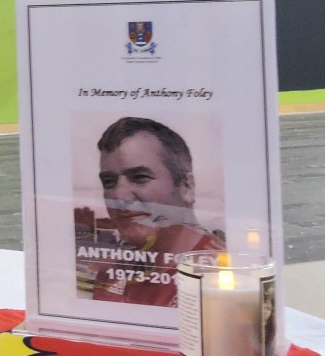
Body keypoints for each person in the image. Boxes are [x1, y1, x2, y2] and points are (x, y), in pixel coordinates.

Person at [89, 116, 224, 306]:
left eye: (140, 177)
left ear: (187, 187)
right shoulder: (111, 273)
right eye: (109, 182)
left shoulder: (221, 278)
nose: (120, 196)